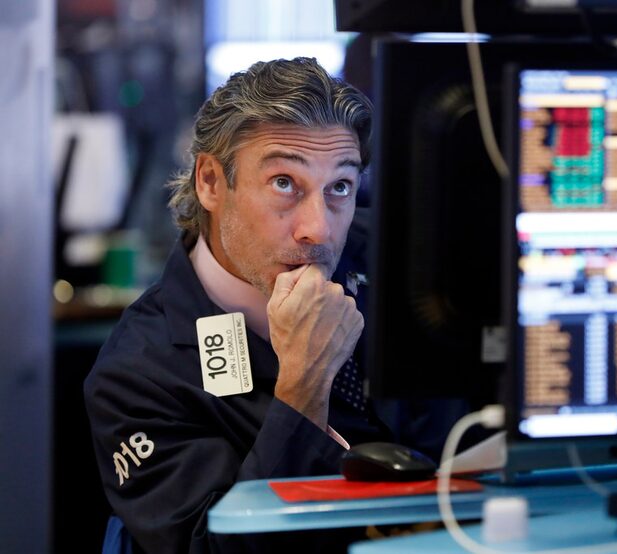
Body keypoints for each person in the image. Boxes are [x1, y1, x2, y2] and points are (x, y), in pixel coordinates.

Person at [84, 57, 393, 554]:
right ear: (210, 181)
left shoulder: (396, 256)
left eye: (339, 187)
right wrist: (304, 384)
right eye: (284, 183)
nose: (319, 228)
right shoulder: (138, 372)